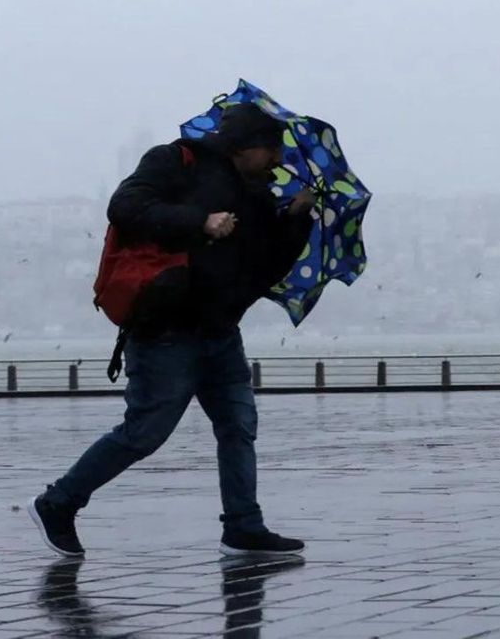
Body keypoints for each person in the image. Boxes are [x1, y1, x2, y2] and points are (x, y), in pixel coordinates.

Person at [28, 103, 315, 557]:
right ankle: (57, 502)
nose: (278, 160)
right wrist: (199, 222)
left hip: (220, 331)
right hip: (166, 330)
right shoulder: (173, 161)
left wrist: (296, 220)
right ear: (244, 146)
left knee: (238, 426)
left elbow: (264, 270)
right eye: (271, 149)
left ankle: (243, 526)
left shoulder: (259, 193)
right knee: (145, 432)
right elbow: (124, 207)